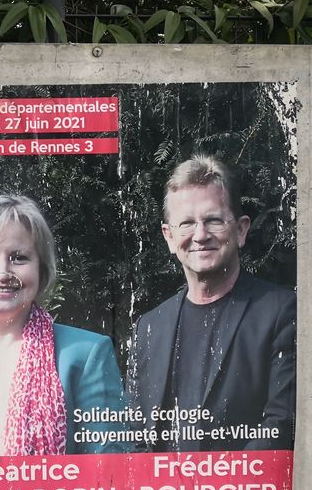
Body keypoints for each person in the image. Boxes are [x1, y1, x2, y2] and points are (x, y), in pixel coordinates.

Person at [0, 195, 126, 457]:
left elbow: (111, 474)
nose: (3, 272)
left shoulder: (86, 355)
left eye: (19, 258)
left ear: (41, 269)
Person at [127, 155, 296, 451]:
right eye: (187, 223)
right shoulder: (148, 328)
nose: (200, 235)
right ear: (169, 236)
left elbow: (280, 424)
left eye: (213, 220)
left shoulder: (281, 312)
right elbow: (137, 436)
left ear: (241, 230)